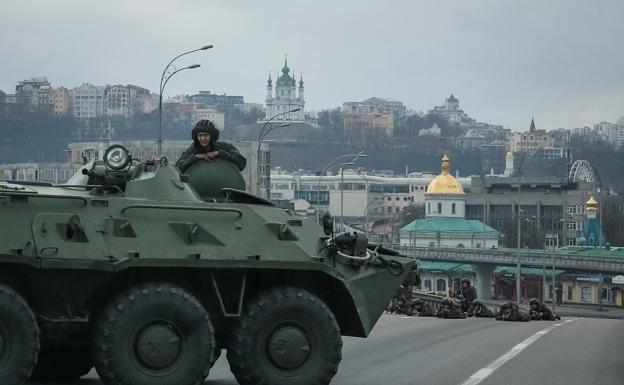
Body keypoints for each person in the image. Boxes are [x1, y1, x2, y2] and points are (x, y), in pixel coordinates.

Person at [175, 120, 246, 173]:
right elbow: (177, 168)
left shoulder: (223, 147)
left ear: (211, 136)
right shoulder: (193, 149)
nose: (202, 138)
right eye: (200, 135)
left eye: (205, 135)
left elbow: (241, 162)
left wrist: (219, 153)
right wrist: (195, 157)